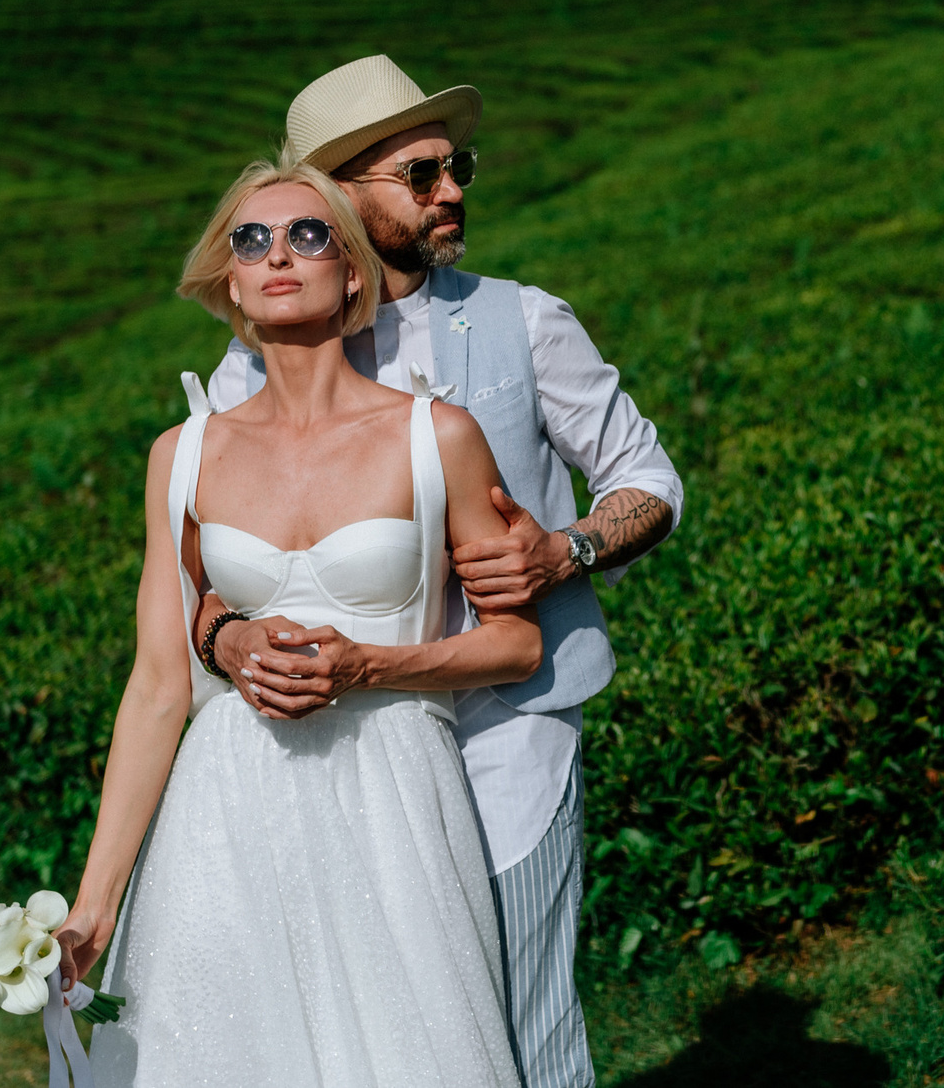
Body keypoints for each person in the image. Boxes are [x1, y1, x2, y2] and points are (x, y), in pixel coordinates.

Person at [190, 54, 682, 1088]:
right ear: (338, 190)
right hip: (346, 754)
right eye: (419, 174)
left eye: (456, 165)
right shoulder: (262, 353)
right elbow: (203, 559)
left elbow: (648, 479)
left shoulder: (525, 318)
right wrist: (228, 635)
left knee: (523, 1021)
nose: (452, 188)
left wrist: (567, 548)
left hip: (510, 724)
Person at [57, 159, 538, 1087]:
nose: (279, 254)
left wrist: (368, 666)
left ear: (352, 271)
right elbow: (161, 686)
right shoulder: (182, 457)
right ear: (230, 280)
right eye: (252, 240)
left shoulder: (436, 436)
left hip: (393, 798)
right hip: (225, 807)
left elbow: (516, 643)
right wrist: (94, 906)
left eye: (308, 234)